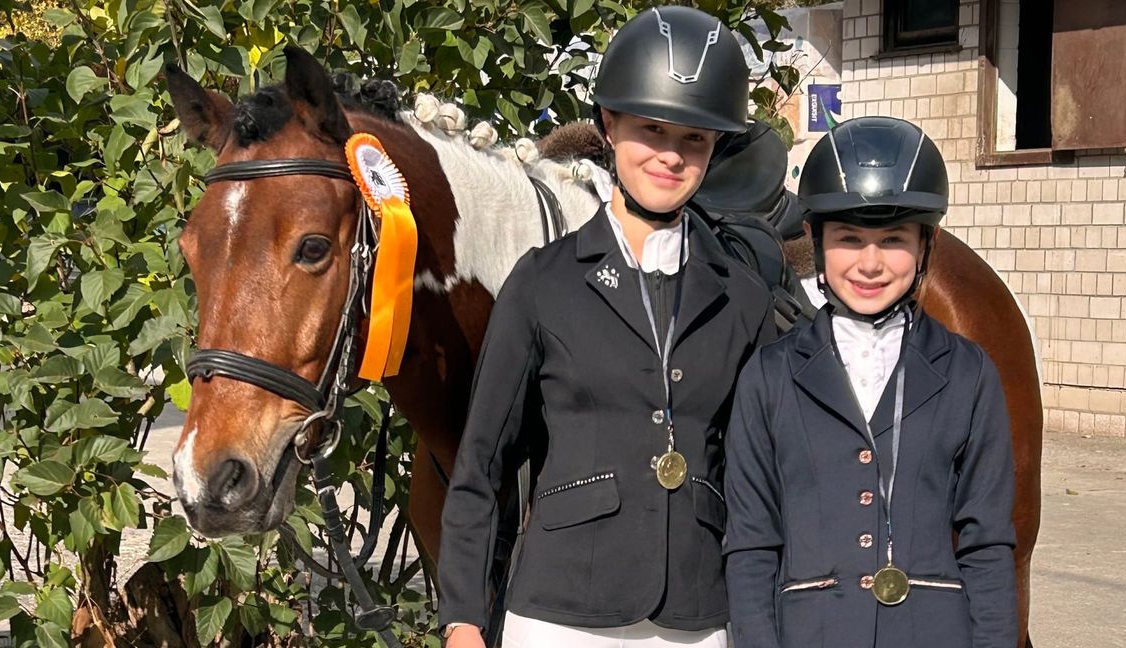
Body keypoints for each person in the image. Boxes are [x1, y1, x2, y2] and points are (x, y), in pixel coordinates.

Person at [436, 6, 777, 648]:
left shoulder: (744, 300)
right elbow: (483, 464)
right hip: (561, 615)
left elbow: (761, 478)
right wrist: (462, 619)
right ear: (608, 123)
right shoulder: (541, 283)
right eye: (651, 129)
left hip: (699, 619)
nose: (671, 157)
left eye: (694, 140)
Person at [722, 116, 1018, 648]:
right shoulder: (768, 377)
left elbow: (988, 544)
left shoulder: (969, 373)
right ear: (815, 239)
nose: (871, 263)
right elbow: (751, 545)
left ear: (925, 243)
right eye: (850, 238)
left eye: (894, 239)